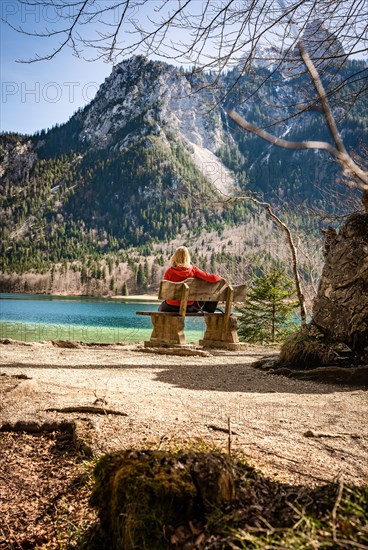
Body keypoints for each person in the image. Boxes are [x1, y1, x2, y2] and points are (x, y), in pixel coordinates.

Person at [158, 246, 225, 313]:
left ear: (175, 257)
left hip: (171, 306)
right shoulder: (193, 270)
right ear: (187, 258)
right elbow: (211, 278)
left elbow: (165, 289)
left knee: (160, 308)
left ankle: (171, 323)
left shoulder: (169, 272)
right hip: (188, 307)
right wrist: (220, 278)